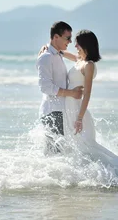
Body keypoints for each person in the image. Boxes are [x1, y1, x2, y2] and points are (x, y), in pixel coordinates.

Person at [60, 29, 118, 173]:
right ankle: (87, 175)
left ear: (85, 45)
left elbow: (87, 94)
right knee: (77, 146)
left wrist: (79, 118)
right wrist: (50, 48)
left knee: (87, 145)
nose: (75, 47)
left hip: (79, 111)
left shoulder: (89, 65)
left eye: (78, 44)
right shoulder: (79, 60)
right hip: (70, 107)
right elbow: (64, 53)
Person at [36, 21, 84, 153]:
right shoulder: (45, 57)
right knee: (54, 154)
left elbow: (79, 58)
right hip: (52, 112)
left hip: (61, 111)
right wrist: (72, 93)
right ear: (56, 37)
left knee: (61, 153)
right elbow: (45, 87)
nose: (69, 42)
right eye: (67, 38)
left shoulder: (58, 54)